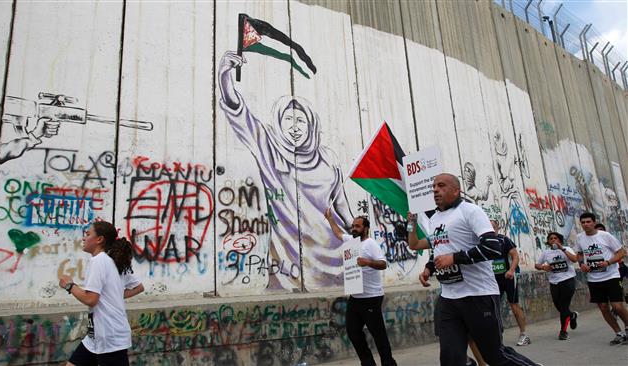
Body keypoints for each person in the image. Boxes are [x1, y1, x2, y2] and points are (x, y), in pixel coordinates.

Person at [218, 51, 353, 290]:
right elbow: (240, 114)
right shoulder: (270, 150)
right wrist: (225, 75)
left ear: (311, 125)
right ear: (278, 124)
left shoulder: (328, 158)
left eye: (300, 121)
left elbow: (341, 206)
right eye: (287, 120)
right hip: (290, 263)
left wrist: (360, 236)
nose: (294, 127)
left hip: (338, 256)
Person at [407, 173, 539, 366]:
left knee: (494, 356)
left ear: (455, 190)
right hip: (449, 298)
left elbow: (492, 247)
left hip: (478, 295)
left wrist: (454, 258)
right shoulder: (435, 219)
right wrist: (412, 225)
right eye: (433, 186)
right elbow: (418, 245)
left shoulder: (470, 211)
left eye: (441, 186)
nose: (435, 189)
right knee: (451, 359)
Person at [59, 221, 145, 365]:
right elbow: (139, 287)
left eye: (88, 234)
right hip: (95, 336)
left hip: (110, 336)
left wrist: (69, 285)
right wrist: (113, 295)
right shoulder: (113, 261)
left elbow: (91, 299)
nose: (83, 238)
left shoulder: (98, 261)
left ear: (99, 239)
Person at [325, 209, 397, 366]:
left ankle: (388, 362)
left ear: (365, 228)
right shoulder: (351, 241)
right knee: (353, 332)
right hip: (356, 297)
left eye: (357, 226)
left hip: (371, 297)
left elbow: (383, 264)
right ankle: (367, 362)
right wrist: (330, 218)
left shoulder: (370, 245)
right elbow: (338, 234)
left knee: (378, 333)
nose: (354, 229)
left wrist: (368, 262)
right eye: (352, 226)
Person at [574, 212, 628, 345]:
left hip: (611, 276)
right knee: (603, 307)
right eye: (583, 222)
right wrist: (582, 264)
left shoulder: (605, 236)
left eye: (588, 222)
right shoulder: (580, 238)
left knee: (617, 306)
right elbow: (579, 253)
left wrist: (608, 262)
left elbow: (622, 252)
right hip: (594, 278)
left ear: (594, 222)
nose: (586, 224)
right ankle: (618, 332)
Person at [490, 219, 530, 346]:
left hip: (508, 278)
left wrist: (511, 270)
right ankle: (497, 335)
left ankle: (523, 334)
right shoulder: (482, 242)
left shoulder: (504, 240)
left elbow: (515, 256)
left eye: (493, 228)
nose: (490, 230)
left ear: (497, 228)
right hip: (492, 280)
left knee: (514, 305)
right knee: (493, 308)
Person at [534, 232, 579, 340]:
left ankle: (563, 331)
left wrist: (562, 249)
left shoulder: (567, 249)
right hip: (554, 282)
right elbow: (537, 265)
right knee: (558, 305)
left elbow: (575, 259)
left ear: (560, 240)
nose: (553, 240)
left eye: (556, 238)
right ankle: (572, 315)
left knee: (564, 306)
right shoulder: (546, 253)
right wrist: (543, 267)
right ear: (548, 241)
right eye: (551, 239)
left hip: (568, 280)